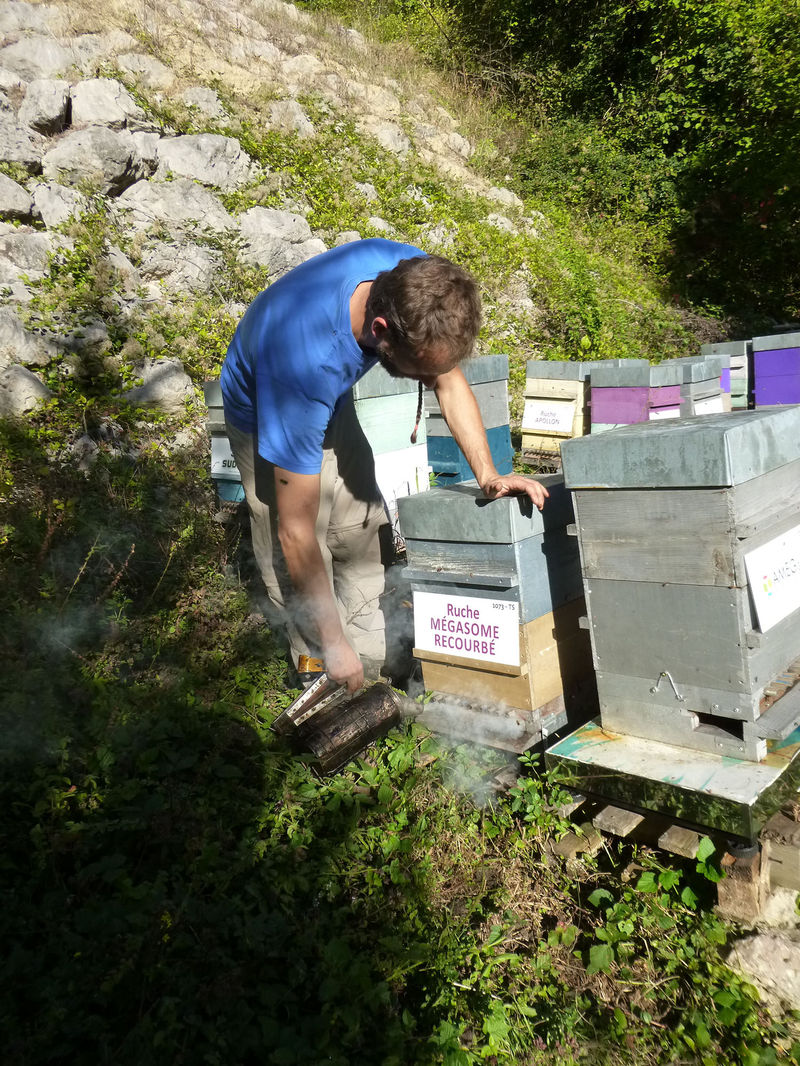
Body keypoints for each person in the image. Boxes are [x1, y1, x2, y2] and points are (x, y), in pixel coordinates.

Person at [221, 238, 549, 693]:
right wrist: (334, 646)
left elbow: (448, 381)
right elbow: (295, 534)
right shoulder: (304, 367)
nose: (425, 380)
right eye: (418, 371)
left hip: (326, 394)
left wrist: (488, 474)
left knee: (360, 523)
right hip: (267, 410)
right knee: (291, 544)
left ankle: (371, 653)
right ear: (380, 330)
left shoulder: (414, 284)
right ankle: (317, 668)